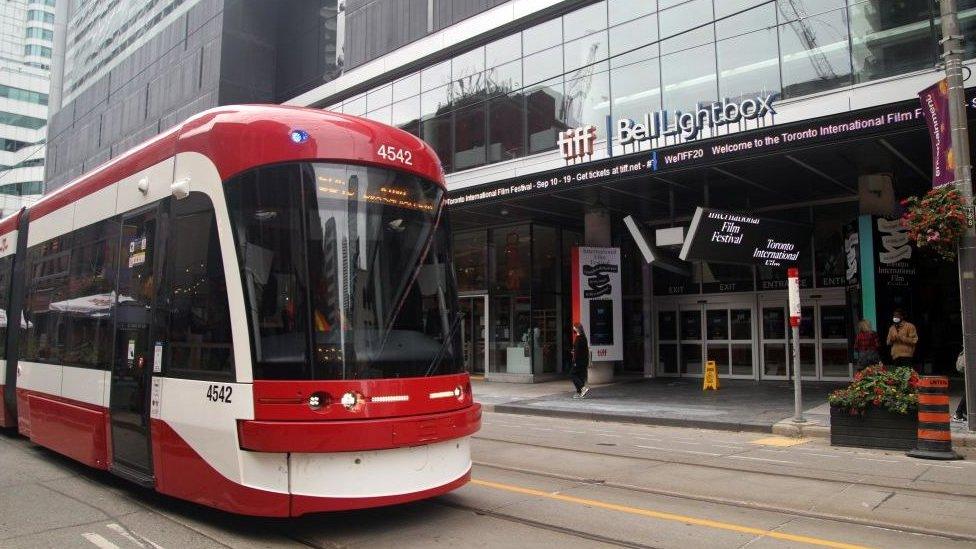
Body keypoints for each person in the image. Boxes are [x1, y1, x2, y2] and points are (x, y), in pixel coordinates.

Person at [571, 322, 590, 399]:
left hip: (578, 361)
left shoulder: (578, 338)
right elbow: (583, 350)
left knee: (573, 374)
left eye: (574, 327)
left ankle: (582, 388)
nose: (573, 328)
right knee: (581, 376)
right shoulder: (584, 337)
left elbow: (577, 351)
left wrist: (575, 361)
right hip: (584, 360)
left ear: (576, 328)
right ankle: (580, 392)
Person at [954, 350, 967, 422]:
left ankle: (962, 412)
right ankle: (959, 413)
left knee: (970, 392)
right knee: (970, 392)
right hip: (970, 367)